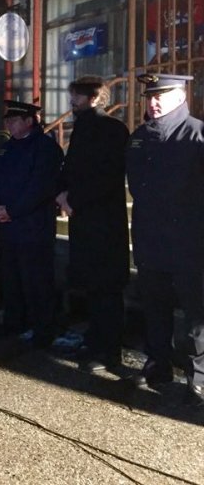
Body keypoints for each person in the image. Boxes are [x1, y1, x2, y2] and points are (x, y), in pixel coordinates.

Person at [126, 73, 204, 402]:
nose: (153, 102)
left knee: (196, 313)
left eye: (161, 95)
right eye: (150, 96)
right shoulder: (140, 137)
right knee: (154, 306)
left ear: (181, 96)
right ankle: (158, 363)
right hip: (150, 238)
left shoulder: (197, 133)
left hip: (189, 241)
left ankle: (199, 376)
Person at [55, 77, 129, 373]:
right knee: (93, 285)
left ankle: (109, 349)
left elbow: (108, 176)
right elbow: (72, 167)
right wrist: (62, 193)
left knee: (106, 287)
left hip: (103, 220)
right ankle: (95, 339)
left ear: (95, 98)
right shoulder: (83, 127)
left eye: (77, 96)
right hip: (86, 218)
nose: (72, 102)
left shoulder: (111, 129)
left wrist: (73, 199)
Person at [0, 100, 63, 348]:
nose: (9, 124)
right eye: (7, 120)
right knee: (11, 278)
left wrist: (12, 210)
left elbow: (39, 188)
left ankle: (43, 329)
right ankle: (14, 321)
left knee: (37, 280)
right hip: (8, 226)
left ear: (29, 121)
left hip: (33, 226)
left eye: (14, 120)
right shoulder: (7, 147)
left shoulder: (45, 148)